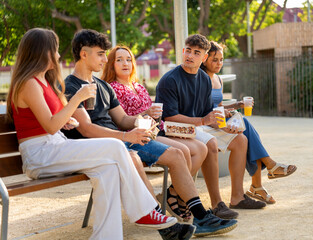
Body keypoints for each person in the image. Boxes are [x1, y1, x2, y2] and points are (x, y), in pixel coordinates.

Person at [63, 29, 237, 238]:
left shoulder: (102, 86)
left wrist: (143, 119)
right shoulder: (71, 85)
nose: (104, 59)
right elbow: (86, 129)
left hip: (122, 139)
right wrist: (127, 136)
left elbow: (122, 120)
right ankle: (166, 225)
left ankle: (200, 217)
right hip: (103, 145)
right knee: (139, 157)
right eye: (101, 53)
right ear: (84, 54)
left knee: (177, 154)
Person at [6, 28, 177, 240]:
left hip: (54, 146)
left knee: (108, 170)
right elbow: (50, 126)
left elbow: (52, 122)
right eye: (55, 49)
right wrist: (76, 99)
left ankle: (106, 237)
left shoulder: (42, 80)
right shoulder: (29, 83)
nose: (59, 55)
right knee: (115, 147)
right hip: (41, 154)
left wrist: (66, 121)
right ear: (43, 52)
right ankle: (144, 211)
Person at [156, 34, 267, 220]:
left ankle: (237, 197)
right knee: (211, 144)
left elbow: (208, 113)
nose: (190, 56)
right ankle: (217, 204)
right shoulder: (170, 80)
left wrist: (225, 126)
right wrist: (203, 121)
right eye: (188, 51)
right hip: (175, 129)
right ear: (183, 51)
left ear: (204, 57)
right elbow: (169, 117)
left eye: (196, 52)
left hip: (199, 126)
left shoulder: (204, 79)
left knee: (240, 140)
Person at [101, 45, 208, 221]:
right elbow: (122, 120)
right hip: (136, 135)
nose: (125, 63)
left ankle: (174, 193)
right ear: (111, 64)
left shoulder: (138, 86)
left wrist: (166, 125)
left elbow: (154, 114)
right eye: (119, 60)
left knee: (201, 148)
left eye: (128, 59)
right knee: (184, 151)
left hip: (158, 130)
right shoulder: (112, 88)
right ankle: (178, 200)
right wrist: (146, 115)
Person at [200, 41, 297, 204]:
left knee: (247, 132)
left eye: (221, 59)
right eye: (214, 59)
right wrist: (224, 114)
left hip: (220, 119)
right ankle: (264, 176)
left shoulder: (218, 79)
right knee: (246, 127)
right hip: (207, 124)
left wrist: (237, 105)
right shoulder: (201, 79)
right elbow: (203, 108)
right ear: (205, 59)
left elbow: (219, 106)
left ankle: (259, 183)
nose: (219, 64)